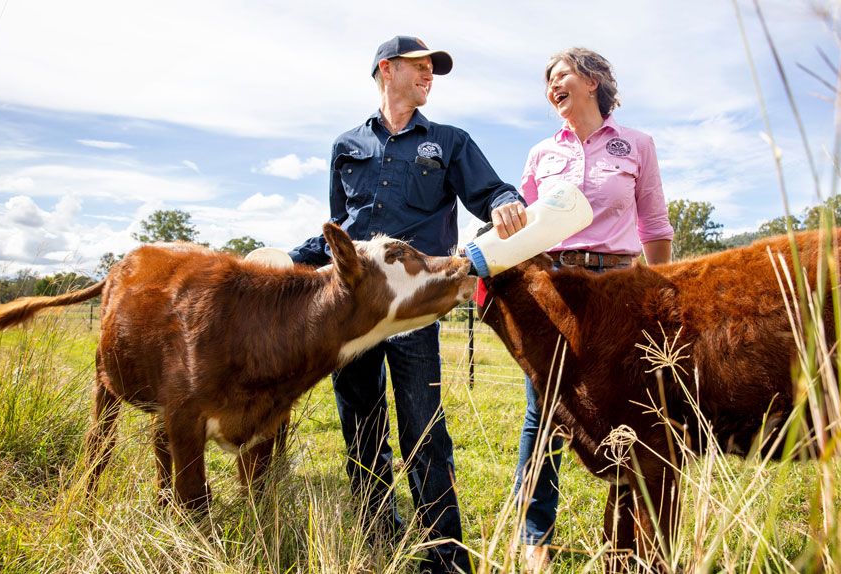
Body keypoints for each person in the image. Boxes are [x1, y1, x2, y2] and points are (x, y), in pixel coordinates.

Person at [289, 36, 527, 573]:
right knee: (359, 423)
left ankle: (444, 556)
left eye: (432, 70)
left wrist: (507, 201)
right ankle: (378, 533)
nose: (429, 76)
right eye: (420, 66)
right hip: (352, 310)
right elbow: (341, 228)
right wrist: (292, 259)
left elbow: (490, 192)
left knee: (423, 428)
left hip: (413, 306)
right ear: (386, 69)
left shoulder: (448, 141)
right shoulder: (347, 144)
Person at [514, 47, 674, 572]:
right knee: (545, 411)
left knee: (635, 411)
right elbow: (522, 230)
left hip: (621, 286)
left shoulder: (638, 144)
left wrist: (661, 293)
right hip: (558, 285)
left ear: (592, 81)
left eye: (560, 75)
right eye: (547, 81)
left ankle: (626, 538)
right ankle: (535, 533)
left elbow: (654, 224)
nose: (551, 86)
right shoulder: (541, 154)